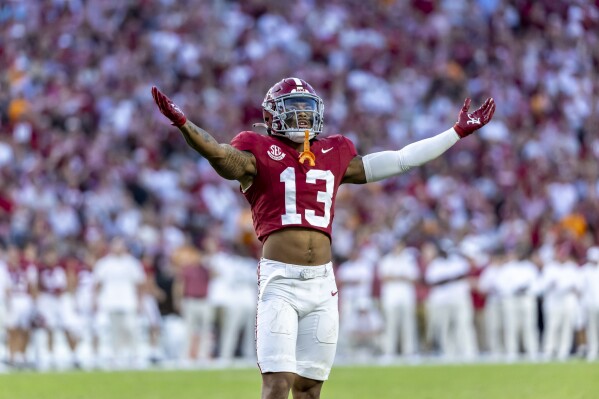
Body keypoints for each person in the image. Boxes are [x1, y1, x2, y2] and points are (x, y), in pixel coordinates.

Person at [152, 77, 495, 399]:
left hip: (322, 284)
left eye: (307, 107)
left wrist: (456, 132)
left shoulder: (335, 152)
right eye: (293, 107)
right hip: (280, 281)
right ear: (273, 114)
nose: (302, 114)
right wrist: (184, 124)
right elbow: (220, 155)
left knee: (309, 390)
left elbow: (401, 159)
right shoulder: (257, 148)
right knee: (276, 385)